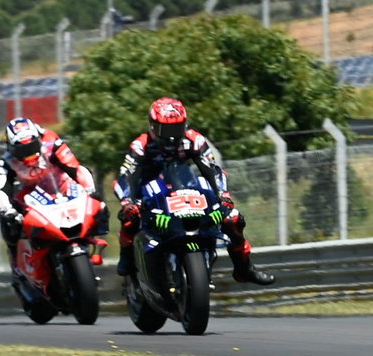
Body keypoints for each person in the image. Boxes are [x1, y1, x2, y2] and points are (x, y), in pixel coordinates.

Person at [114, 97, 275, 286]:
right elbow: (126, 175)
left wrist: (223, 195)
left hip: (183, 188)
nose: (171, 136)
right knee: (130, 218)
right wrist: (128, 201)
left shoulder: (195, 140)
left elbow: (212, 169)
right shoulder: (140, 145)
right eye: (166, 130)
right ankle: (127, 258)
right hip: (147, 193)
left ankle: (244, 268)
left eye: (176, 129)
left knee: (233, 219)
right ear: (152, 126)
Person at [0, 117, 105, 274]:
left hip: (60, 186)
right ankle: (17, 263)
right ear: (11, 149)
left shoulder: (52, 142)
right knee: (9, 222)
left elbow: (75, 168)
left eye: (31, 147)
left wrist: (89, 189)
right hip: (30, 195)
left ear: (38, 139)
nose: (28, 155)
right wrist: (8, 211)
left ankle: (91, 237)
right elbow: (1, 191)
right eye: (22, 151)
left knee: (98, 203)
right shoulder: (7, 163)